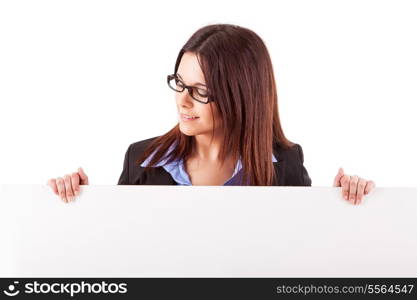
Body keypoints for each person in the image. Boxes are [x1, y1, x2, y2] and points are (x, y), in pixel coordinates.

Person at [47, 24, 375, 205]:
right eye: (179, 83)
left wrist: (340, 207)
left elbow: (303, 254)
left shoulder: (286, 163)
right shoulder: (141, 158)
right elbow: (117, 250)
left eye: (200, 91)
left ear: (242, 94)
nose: (183, 101)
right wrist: (85, 205)